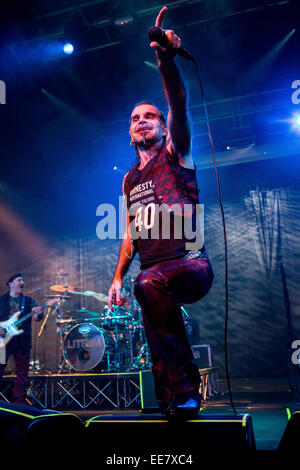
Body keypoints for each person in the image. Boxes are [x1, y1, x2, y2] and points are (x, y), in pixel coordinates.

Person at [108, 6, 214, 420]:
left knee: (150, 282)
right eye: (135, 119)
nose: (142, 121)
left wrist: (166, 62)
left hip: (191, 266)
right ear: (129, 131)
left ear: (164, 127)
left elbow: (179, 102)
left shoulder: (176, 153)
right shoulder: (130, 180)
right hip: (153, 278)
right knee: (145, 291)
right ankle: (169, 397)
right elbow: (131, 234)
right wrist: (116, 277)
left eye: (150, 116)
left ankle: (188, 387)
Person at [0, 273, 44, 404]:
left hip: (22, 342)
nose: (22, 282)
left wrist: (39, 314)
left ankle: (19, 401)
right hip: (3, 342)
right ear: (11, 283)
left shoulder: (28, 301)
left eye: (23, 281)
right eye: (19, 280)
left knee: (22, 374)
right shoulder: (1, 300)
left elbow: (36, 318)